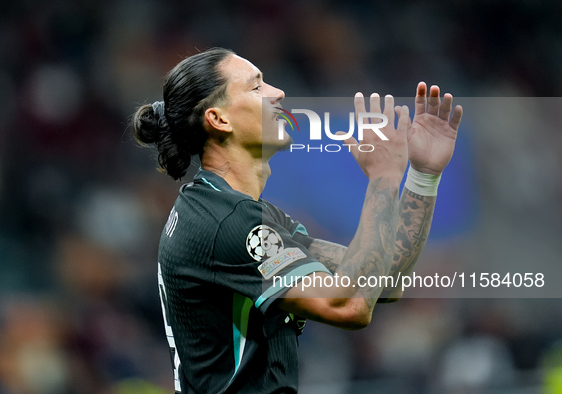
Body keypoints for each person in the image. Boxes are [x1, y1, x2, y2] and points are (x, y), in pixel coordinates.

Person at [131, 47, 463, 393]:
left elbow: (384, 278)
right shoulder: (226, 221)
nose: (278, 93)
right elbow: (349, 305)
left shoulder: (236, 212)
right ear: (219, 119)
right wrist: (383, 178)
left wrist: (423, 175)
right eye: (256, 87)